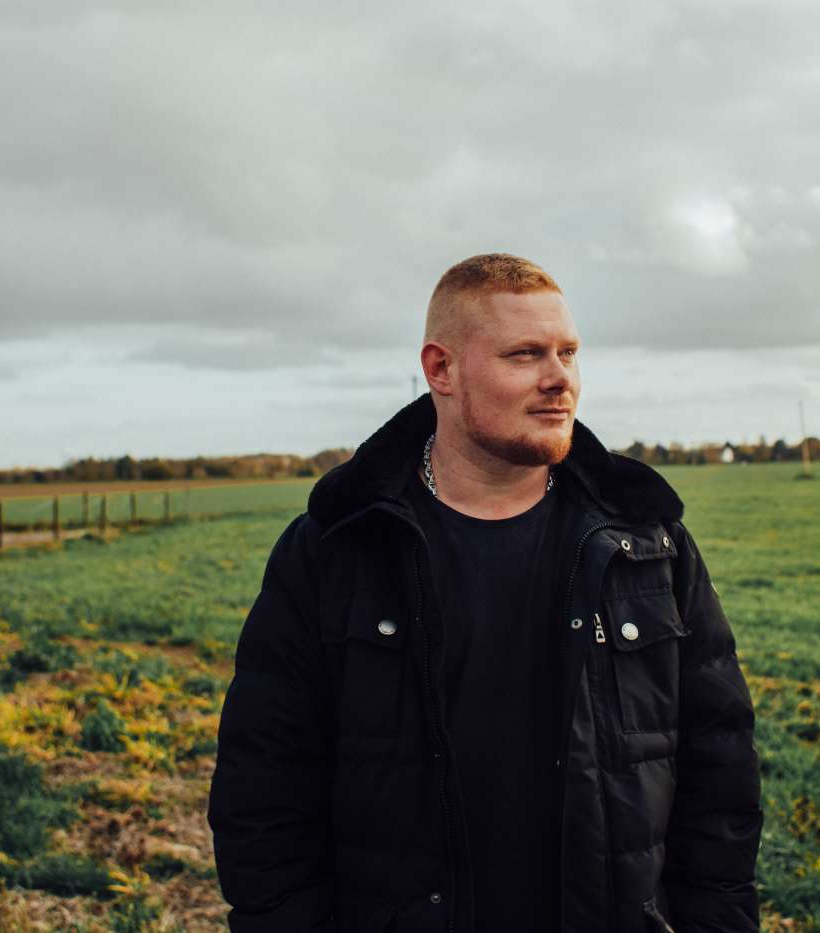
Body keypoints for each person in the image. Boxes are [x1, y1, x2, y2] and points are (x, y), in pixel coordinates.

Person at [208, 253, 762, 932]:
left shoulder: (646, 543)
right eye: (525, 354)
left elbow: (720, 772)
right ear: (441, 369)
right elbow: (264, 790)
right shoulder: (337, 549)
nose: (560, 379)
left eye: (568, 352)